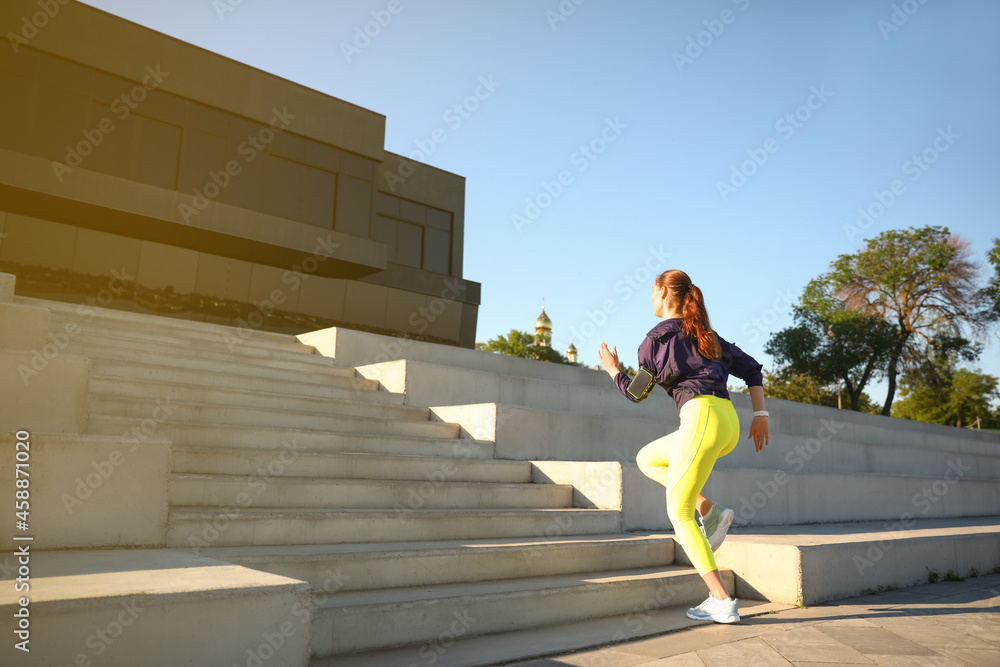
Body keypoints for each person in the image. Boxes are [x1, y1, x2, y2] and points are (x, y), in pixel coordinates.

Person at [598, 269, 769, 624]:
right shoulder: (707, 335)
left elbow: (636, 392)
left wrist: (614, 371)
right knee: (647, 458)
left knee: (678, 514)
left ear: (663, 293)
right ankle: (711, 511)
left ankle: (721, 599)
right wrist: (760, 414)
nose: (648, 297)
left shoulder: (655, 341)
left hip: (700, 419)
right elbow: (752, 369)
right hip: (727, 423)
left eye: (651, 290)